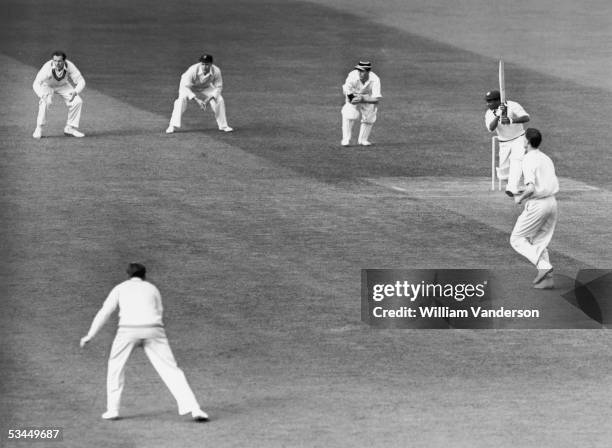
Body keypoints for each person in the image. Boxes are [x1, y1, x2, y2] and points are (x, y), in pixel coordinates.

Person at [80, 263, 209, 422]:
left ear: (128, 275)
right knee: (171, 370)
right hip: (154, 330)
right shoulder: (152, 288)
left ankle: (112, 410)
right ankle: (194, 408)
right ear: (144, 275)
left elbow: (105, 311)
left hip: (127, 331)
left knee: (115, 367)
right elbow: (159, 311)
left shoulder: (120, 288)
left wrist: (90, 335)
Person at [510, 128, 559, 289]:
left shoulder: (528, 159)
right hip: (552, 203)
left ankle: (543, 267)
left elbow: (531, 188)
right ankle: (548, 280)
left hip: (538, 205)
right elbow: (544, 183)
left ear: (528, 142)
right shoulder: (546, 158)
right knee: (539, 241)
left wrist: (519, 198)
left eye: (524, 138)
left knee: (516, 239)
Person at [166, 54, 233, 133]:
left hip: (206, 87)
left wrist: (208, 99)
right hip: (188, 86)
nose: (204, 67)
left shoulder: (216, 71)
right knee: (180, 101)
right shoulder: (193, 70)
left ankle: (223, 125)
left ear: (211, 64)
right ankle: (172, 125)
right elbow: (185, 87)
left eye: (207, 64)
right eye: (203, 64)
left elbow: (218, 87)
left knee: (220, 100)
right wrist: (197, 99)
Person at [485, 90, 530, 196]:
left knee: (517, 160)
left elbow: (526, 117)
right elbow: (491, 128)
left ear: (498, 100)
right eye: (487, 101)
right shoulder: (489, 113)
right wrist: (498, 115)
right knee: (503, 174)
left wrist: (511, 120)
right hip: (504, 142)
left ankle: (512, 188)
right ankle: (517, 186)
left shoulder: (513, 105)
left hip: (519, 138)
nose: (488, 104)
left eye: (491, 101)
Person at [32, 51, 86, 139]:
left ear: (64, 61)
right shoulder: (47, 67)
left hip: (63, 85)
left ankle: (70, 128)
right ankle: (39, 128)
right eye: (55, 60)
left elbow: (81, 81)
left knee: (77, 101)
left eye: (59, 61)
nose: (57, 63)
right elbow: (36, 83)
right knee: (45, 102)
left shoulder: (70, 66)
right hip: (47, 85)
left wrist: (75, 91)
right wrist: (42, 95)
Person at [341, 61, 382, 146]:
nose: (359, 73)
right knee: (349, 114)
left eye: (362, 71)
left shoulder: (375, 79)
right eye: (358, 70)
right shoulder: (352, 76)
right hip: (353, 94)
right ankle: (346, 139)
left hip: (368, 97)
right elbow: (346, 89)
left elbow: (376, 99)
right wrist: (352, 98)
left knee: (369, 117)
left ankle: (363, 140)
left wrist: (363, 99)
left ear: (368, 71)